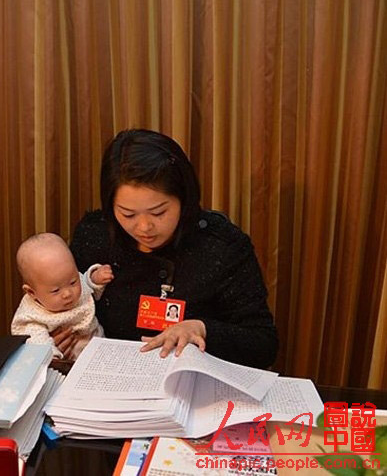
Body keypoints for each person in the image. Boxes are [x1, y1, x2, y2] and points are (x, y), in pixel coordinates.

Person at [58, 128, 278, 369]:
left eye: (158, 212)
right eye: (128, 214)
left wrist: (201, 329)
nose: (144, 227)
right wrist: (54, 337)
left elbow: (263, 345)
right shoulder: (95, 236)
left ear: (184, 198)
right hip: (109, 379)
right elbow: (56, 303)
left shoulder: (222, 245)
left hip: (191, 388)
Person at [11, 233, 114, 359]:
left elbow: (87, 286)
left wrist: (94, 279)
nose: (67, 293)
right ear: (32, 293)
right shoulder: (31, 316)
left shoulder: (74, 281)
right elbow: (38, 343)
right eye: (55, 290)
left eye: (72, 282)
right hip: (69, 363)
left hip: (101, 347)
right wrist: (52, 356)